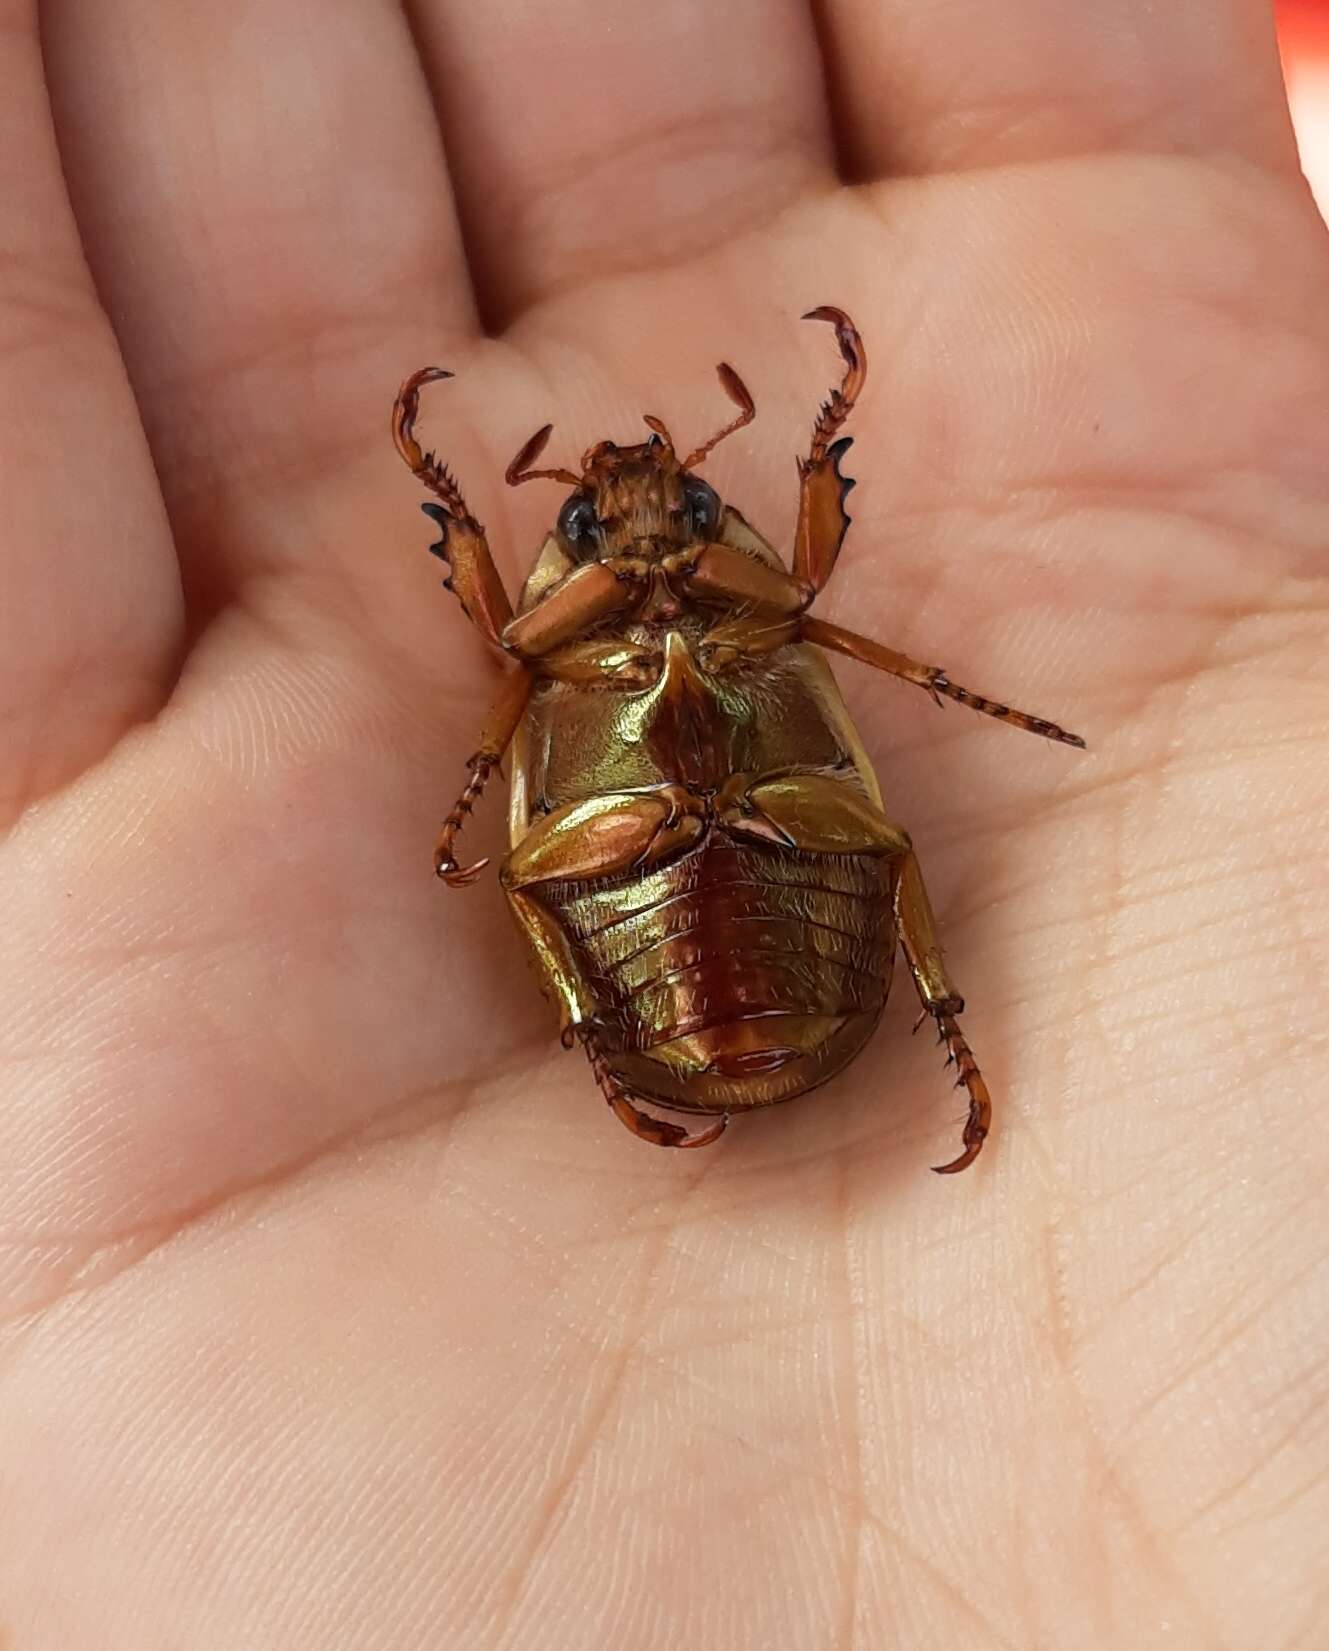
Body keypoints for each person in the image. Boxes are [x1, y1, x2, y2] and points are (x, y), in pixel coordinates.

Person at [1, 2, 1325, 1645]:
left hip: (686, 888)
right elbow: (559, 645)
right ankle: (642, 1021)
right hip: (716, 892)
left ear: (732, 508)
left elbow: (763, 607)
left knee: (771, 844)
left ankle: (912, 1021)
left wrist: (807, 463)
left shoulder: (734, 629)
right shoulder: (630, 647)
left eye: (680, 506)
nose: (639, 527)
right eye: (604, 514)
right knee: (762, 845)